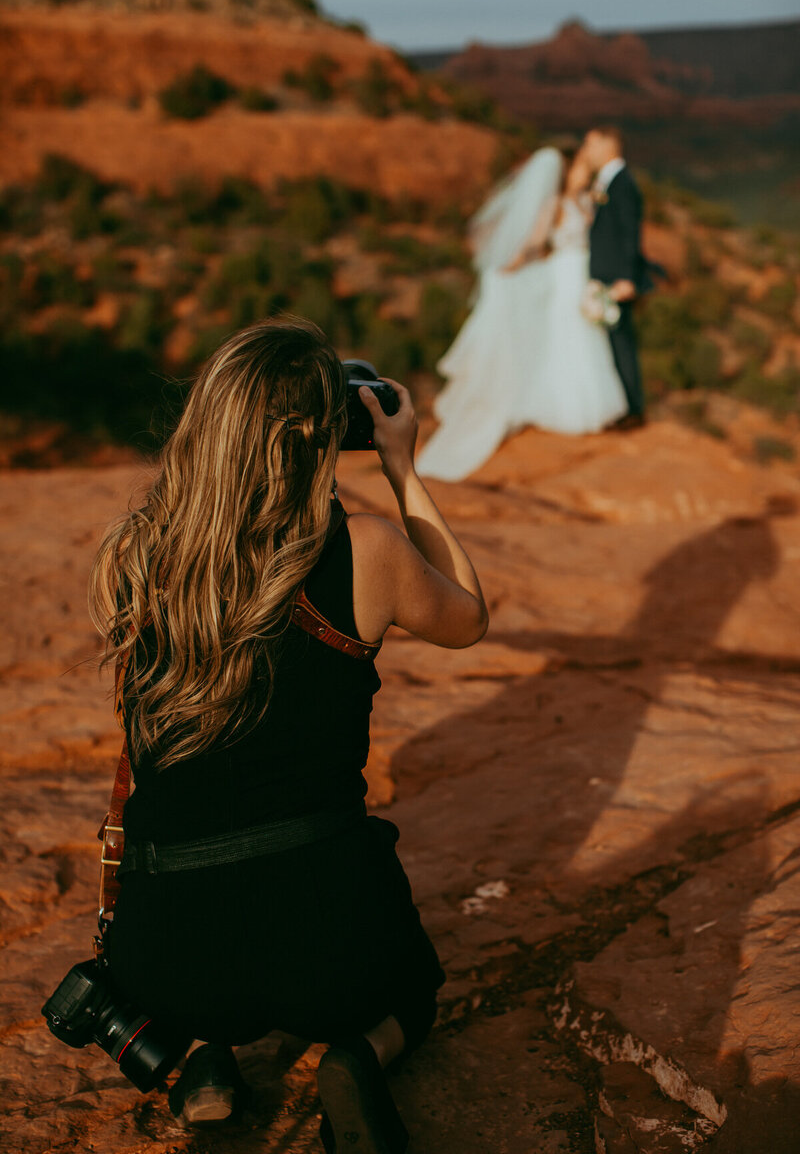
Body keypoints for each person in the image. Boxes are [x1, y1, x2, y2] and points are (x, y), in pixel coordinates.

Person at [89, 319, 488, 1152]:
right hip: (331, 948)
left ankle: (205, 1058)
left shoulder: (139, 555)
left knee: (209, 901)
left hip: (165, 958)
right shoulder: (366, 551)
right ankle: (356, 1057)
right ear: (322, 440)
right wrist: (403, 466)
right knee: (414, 988)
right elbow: (466, 615)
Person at [415, 144, 628, 483]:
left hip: (578, 274)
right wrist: (511, 267)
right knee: (565, 336)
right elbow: (535, 241)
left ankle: (578, 406)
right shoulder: (556, 204)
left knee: (576, 338)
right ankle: (564, 405)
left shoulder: (580, 201)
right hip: (564, 274)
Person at [580, 125, 653, 429]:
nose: (588, 151)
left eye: (591, 144)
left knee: (622, 343)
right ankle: (624, 406)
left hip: (616, 280)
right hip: (605, 277)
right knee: (612, 342)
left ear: (609, 145)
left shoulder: (623, 184)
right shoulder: (608, 182)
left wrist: (626, 278)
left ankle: (634, 410)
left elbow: (629, 234)